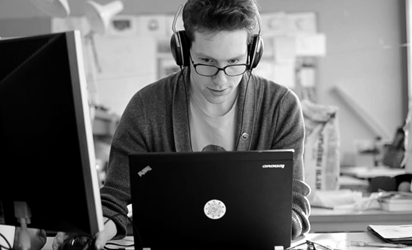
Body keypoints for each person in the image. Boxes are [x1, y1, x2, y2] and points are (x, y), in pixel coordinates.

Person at [53, 0, 311, 249]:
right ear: (183, 50)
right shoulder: (146, 106)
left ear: (253, 54)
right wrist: (96, 228)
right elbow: (115, 197)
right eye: (207, 62)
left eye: (234, 62)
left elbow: (294, 205)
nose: (221, 81)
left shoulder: (281, 107)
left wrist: (269, 225)